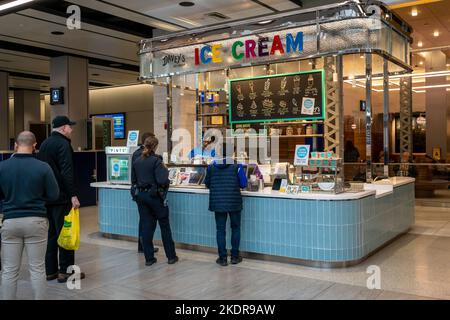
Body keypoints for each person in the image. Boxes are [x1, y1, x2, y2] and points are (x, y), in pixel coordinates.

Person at [0, 131, 59, 299]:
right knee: (37, 269)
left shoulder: (2, 167)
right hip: (36, 221)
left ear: (15, 146)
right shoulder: (43, 167)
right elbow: (54, 195)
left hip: (10, 221)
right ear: (35, 146)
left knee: (9, 270)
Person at [37, 116, 85, 283]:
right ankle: (66, 271)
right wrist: (72, 194)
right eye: (70, 127)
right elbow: (66, 171)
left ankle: (50, 271)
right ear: (64, 128)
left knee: (51, 235)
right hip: (62, 197)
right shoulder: (64, 144)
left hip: (47, 198)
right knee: (65, 233)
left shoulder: (44, 144)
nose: (71, 130)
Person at [131, 135, 178, 266]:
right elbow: (162, 180)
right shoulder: (156, 161)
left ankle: (149, 258)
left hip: (141, 197)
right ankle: (171, 256)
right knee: (164, 226)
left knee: (146, 227)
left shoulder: (137, 161)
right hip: (155, 197)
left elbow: (133, 181)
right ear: (155, 146)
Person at [204, 158, 248, 266]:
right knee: (235, 228)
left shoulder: (211, 167)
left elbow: (207, 183)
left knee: (220, 230)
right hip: (234, 201)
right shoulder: (237, 166)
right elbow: (243, 183)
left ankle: (222, 258)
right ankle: (234, 257)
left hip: (218, 202)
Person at [131, 132, 159, 254]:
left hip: (138, 192)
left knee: (143, 220)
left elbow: (133, 176)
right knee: (148, 222)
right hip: (148, 192)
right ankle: (146, 247)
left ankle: (142, 246)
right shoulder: (149, 156)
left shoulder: (135, 154)